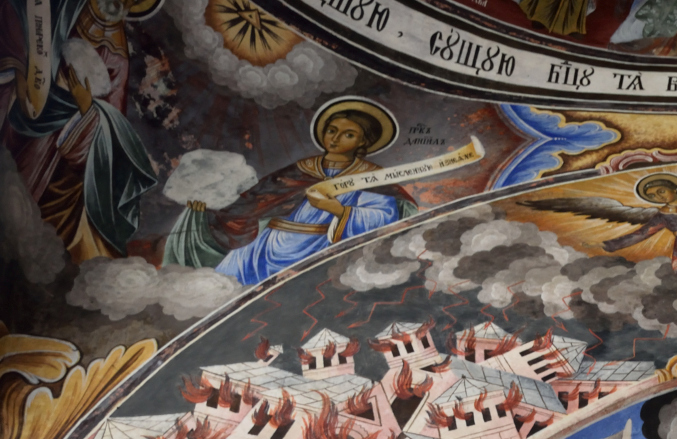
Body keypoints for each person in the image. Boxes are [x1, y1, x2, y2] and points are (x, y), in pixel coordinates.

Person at [164, 99, 414, 286]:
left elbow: (385, 217)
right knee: (227, 290)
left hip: (319, 249)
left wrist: (339, 210)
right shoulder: (301, 169)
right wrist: (208, 211)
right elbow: (253, 201)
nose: (336, 138)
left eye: (348, 134)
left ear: (363, 142)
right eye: (332, 130)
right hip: (264, 248)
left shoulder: (371, 177)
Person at [1, 0, 156, 260]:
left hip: (66, 153)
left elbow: (111, 132)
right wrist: (19, 71)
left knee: (44, 221)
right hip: (26, 129)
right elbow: (16, 23)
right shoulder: (64, 8)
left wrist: (86, 108)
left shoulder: (116, 57)